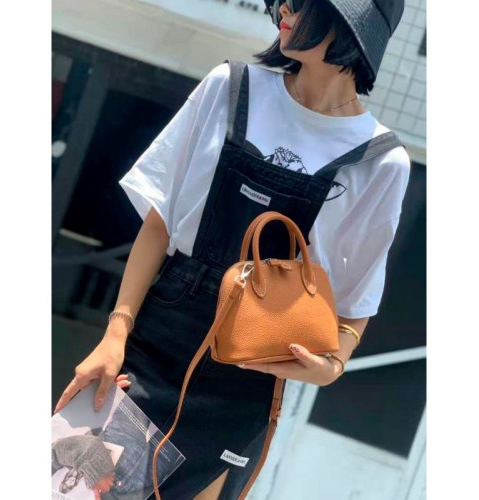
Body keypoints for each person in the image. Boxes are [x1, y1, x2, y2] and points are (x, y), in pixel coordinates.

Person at [54, 0, 409, 499]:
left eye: (302, 3)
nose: (282, 9)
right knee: (64, 488)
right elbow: (159, 225)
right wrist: (115, 333)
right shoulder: (230, 88)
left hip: (248, 381)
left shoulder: (382, 163)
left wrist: (330, 368)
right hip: (152, 348)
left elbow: (353, 309)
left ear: (351, 30)